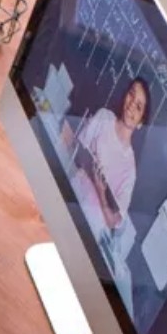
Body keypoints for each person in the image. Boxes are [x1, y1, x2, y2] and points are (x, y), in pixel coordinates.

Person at [60, 75, 150, 234]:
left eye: (138, 106)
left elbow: (113, 221)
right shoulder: (104, 117)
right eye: (131, 94)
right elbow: (75, 150)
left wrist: (101, 192)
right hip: (68, 195)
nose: (131, 105)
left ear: (141, 122)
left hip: (87, 226)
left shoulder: (130, 170)